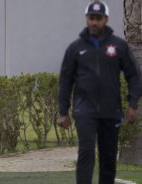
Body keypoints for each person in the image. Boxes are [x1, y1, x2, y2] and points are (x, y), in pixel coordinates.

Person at [58, 1, 142, 184]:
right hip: (84, 111)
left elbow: (134, 76)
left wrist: (133, 103)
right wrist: (63, 111)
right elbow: (65, 80)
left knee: (108, 159)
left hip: (110, 112)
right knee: (86, 153)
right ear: (87, 19)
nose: (94, 22)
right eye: (91, 18)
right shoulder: (75, 48)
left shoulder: (118, 46)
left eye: (98, 18)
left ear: (106, 19)